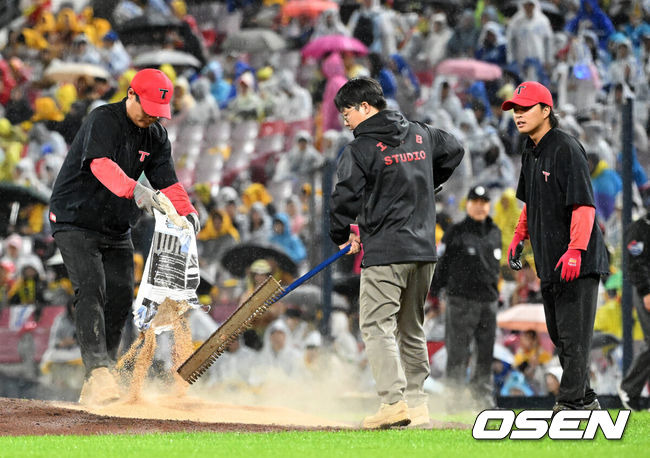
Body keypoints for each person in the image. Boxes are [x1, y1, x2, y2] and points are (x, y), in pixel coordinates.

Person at [49, 68, 201, 405]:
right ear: (130, 95)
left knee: (119, 297)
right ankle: (97, 371)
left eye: (157, 113)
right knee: (91, 287)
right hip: (75, 219)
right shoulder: (102, 120)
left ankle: (104, 376)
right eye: (146, 108)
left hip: (116, 227)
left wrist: (187, 212)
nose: (151, 117)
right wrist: (138, 192)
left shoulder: (157, 136)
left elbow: (169, 182)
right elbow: (101, 165)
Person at [329, 77, 464, 428]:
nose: (344, 119)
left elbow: (344, 197)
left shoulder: (360, 149)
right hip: (423, 250)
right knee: (411, 327)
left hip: (386, 250)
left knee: (375, 326)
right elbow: (456, 149)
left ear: (365, 107)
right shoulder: (420, 133)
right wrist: (427, 182)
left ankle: (392, 402)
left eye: (347, 111)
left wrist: (342, 234)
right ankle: (418, 403)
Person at [503, 81, 609, 412]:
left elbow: (584, 206)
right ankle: (587, 400)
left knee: (574, 338)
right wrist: (520, 235)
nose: (518, 115)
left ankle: (570, 403)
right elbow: (530, 201)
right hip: (551, 261)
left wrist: (576, 249)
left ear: (546, 110)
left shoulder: (566, 148)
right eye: (515, 109)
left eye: (525, 108)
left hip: (578, 259)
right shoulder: (530, 150)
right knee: (562, 337)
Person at [429, 185, 502, 409]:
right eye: (475, 202)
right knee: (458, 352)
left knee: (485, 353)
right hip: (461, 300)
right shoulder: (455, 231)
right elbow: (442, 263)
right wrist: (435, 291)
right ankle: (455, 399)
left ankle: (483, 398)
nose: (480, 207)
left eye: (484, 202)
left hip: (488, 301)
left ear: (489, 205)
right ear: (467, 204)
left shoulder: (495, 232)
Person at [618, 202, 650, 411]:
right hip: (646, 290)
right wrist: (646, 290)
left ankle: (631, 390)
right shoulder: (640, 227)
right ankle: (629, 389)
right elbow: (634, 262)